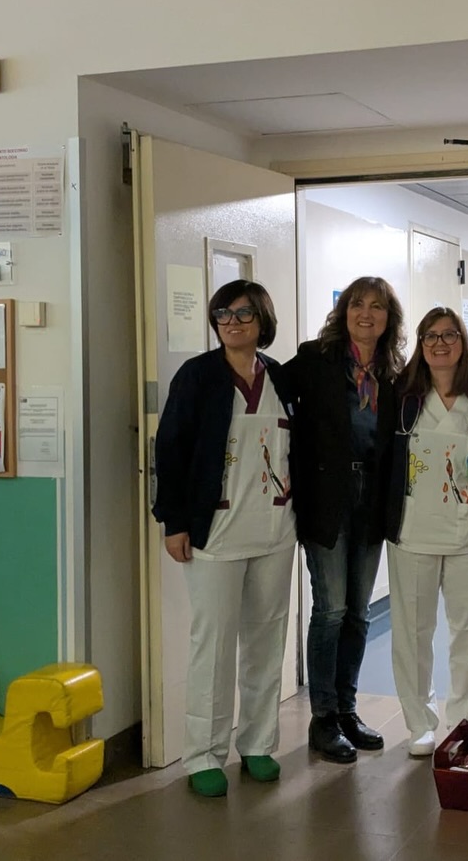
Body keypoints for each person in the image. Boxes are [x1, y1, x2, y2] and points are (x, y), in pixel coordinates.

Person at [153, 279, 296, 798]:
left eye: (243, 313)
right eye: (223, 314)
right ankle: (204, 753)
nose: (232, 322)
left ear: (263, 318)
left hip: (276, 531)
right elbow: (169, 450)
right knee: (212, 646)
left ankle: (257, 743)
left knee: (265, 641)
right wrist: (173, 521)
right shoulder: (197, 377)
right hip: (215, 532)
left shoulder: (279, 378)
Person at [286, 277, 405, 764]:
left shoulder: (394, 372)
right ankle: (324, 719)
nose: (367, 314)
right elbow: (270, 395)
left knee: (359, 612)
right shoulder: (315, 359)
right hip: (327, 499)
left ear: (388, 318)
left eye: (377, 307)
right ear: (345, 312)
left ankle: (349, 711)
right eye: (359, 304)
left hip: (371, 501)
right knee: (331, 610)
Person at [384, 308, 468, 757]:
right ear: (420, 342)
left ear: (462, 341)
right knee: (412, 632)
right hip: (413, 533)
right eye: (430, 336)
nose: (439, 343)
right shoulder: (404, 396)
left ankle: (465, 721)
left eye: (449, 335)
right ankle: (419, 724)